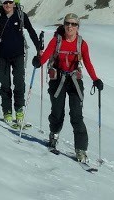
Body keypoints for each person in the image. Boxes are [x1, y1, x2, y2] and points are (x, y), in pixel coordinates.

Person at [33, 13, 104, 164]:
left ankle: (81, 149)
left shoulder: (81, 44)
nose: (70, 27)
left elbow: (88, 63)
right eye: (67, 23)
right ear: (63, 25)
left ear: (78, 27)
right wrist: (39, 62)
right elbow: (46, 55)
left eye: (73, 24)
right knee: (57, 113)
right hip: (57, 80)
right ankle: (54, 135)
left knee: (76, 116)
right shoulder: (56, 41)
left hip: (74, 81)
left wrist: (95, 79)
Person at [0, 0, 42, 127]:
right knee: (5, 84)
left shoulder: (21, 15)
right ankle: (7, 111)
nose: (8, 5)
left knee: (19, 83)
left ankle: (19, 110)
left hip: (18, 55)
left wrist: (39, 48)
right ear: (2, 4)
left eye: (10, 2)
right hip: (2, 56)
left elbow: (31, 31)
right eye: (5, 3)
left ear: (14, 3)